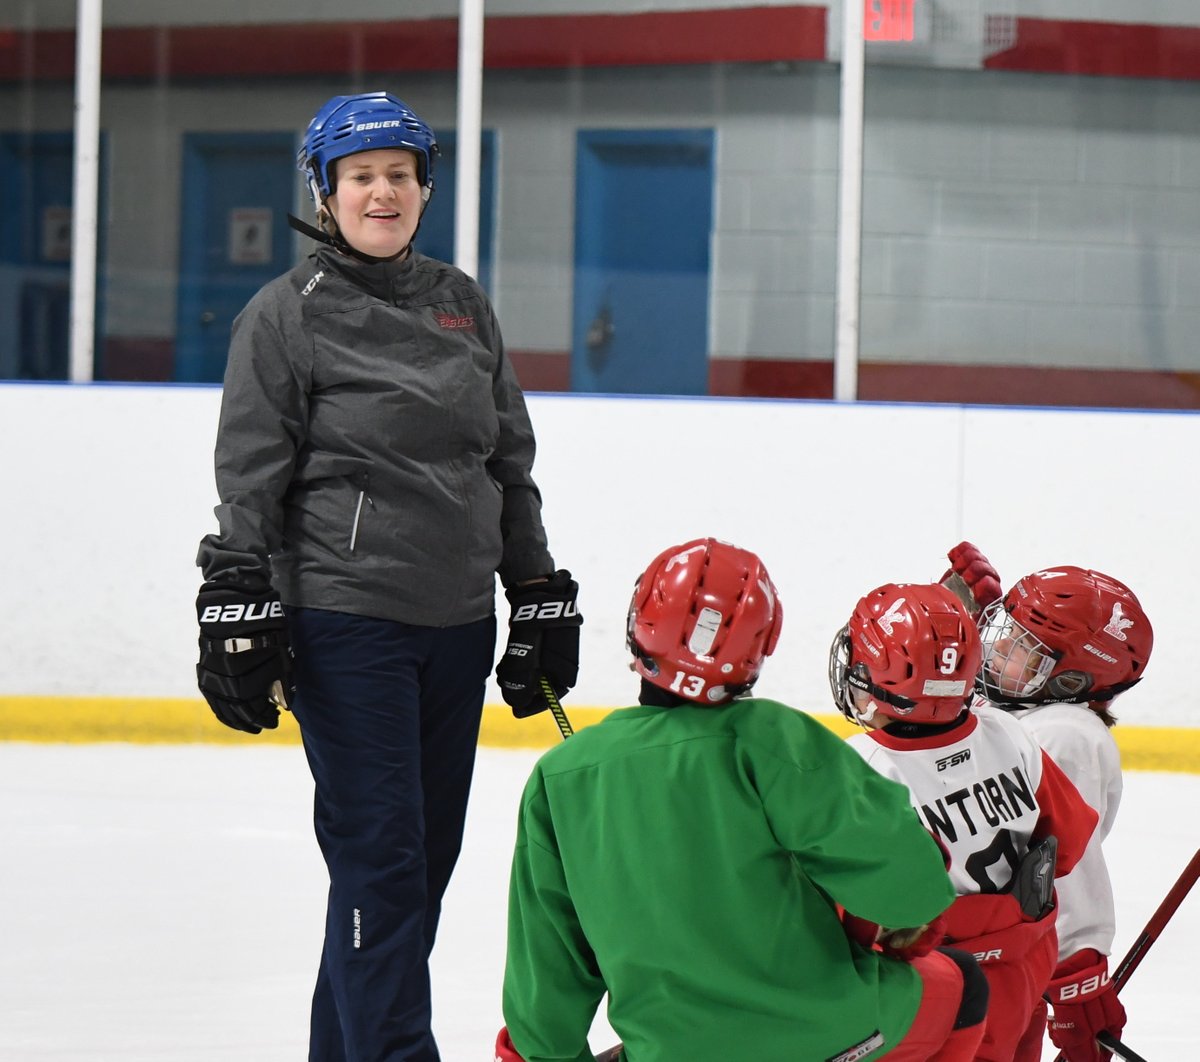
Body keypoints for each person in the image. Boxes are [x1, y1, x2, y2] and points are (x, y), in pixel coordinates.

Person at [193, 91, 581, 1062]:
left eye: (400, 175)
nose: (382, 193)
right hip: (346, 620)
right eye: (361, 176)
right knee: (383, 863)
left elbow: (507, 462)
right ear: (325, 192)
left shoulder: (461, 302)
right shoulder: (285, 316)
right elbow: (251, 470)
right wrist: (234, 586)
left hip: (456, 625)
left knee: (421, 868)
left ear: (424, 187)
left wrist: (535, 590)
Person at [497, 538, 990, 1062]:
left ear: (637, 624)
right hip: (829, 1036)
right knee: (962, 985)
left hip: (674, 1052)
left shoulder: (562, 775)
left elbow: (545, 976)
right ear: (760, 645)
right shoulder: (776, 738)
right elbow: (912, 896)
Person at [830, 580, 1100, 1062]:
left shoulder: (856, 770)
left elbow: (837, 913)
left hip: (934, 990)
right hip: (1023, 969)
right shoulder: (1010, 733)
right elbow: (1070, 840)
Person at [944, 544, 1154, 1062]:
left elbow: (1061, 863)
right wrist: (950, 619)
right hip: (966, 947)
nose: (997, 652)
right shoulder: (1023, 710)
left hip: (998, 964)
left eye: (1020, 647)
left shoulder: (1065, 734)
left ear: (1070, 682)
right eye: (1005, 633)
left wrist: (1078, 970)